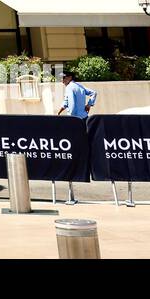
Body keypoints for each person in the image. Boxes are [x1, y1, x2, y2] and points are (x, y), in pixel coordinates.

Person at [56, 70, 97, 206]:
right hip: (83, 117)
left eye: (64, 78)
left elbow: (71, 104)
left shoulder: (70, 87)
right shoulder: (79, 86)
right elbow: (94, 93)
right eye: (61, 78)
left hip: (75, 119)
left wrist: (71, 118)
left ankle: (78, 162)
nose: (62, 80)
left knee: (74, 144)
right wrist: (89, 105)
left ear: (69, 78)